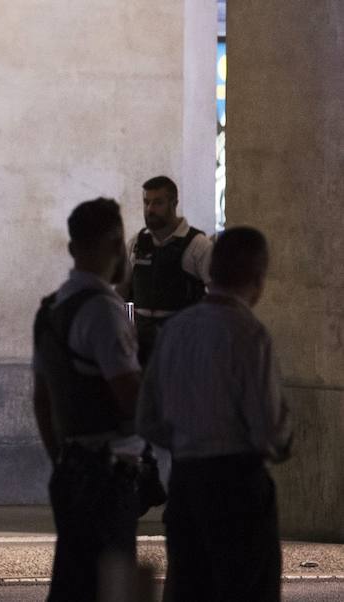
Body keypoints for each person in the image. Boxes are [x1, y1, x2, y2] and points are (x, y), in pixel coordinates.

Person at [137, 226, 292, 602]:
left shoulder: (175, 329)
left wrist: (186, 439)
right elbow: (267, 431)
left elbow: (147, 418)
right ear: (258, 277)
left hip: (186, 484)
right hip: (238, 488)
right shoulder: (250, 334)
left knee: (189, 588)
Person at [33, 197, 143, 602]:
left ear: (72, 248)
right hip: (109, 473)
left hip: (72, 468)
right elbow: (130, 396)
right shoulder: (105, 312)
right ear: (116, 244)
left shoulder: (50, 310)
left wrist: (59, 458)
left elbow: (42, 399)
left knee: (73, 585)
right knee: (112, 589)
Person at [117, 176, 212, 366]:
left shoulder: (198, 245)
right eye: (146, 202)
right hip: (141, 346)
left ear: (174, 203)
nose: (150, 209)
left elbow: (218, 294)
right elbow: (124, 293)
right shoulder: (136, 243)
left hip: (182, 344)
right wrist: (127, 327)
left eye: (158, 202)